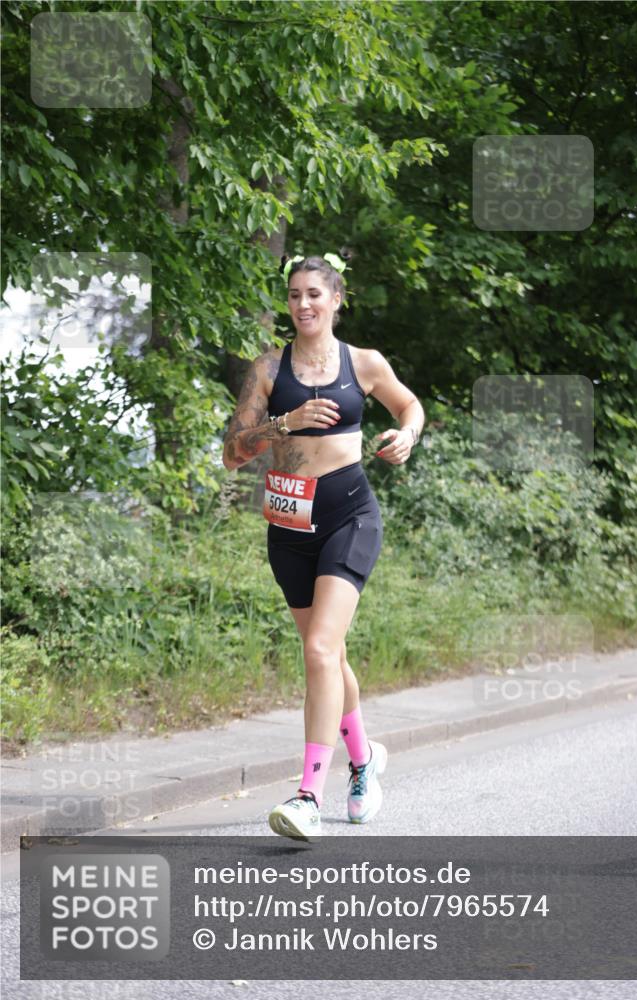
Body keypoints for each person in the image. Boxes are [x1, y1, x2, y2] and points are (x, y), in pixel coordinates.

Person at [222, 252, 424, 841]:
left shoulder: (363, 363)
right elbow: (233, 452)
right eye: (293, 295)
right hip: (288, 528)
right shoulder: (267, 369)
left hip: (348, 515)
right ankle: (364, 763)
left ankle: (308, 794)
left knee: (318, 649)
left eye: (314, 294)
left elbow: (409, 405)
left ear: (336, 299)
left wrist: (405, 434)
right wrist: (287, 422)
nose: (303, 304)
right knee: (327, 655)